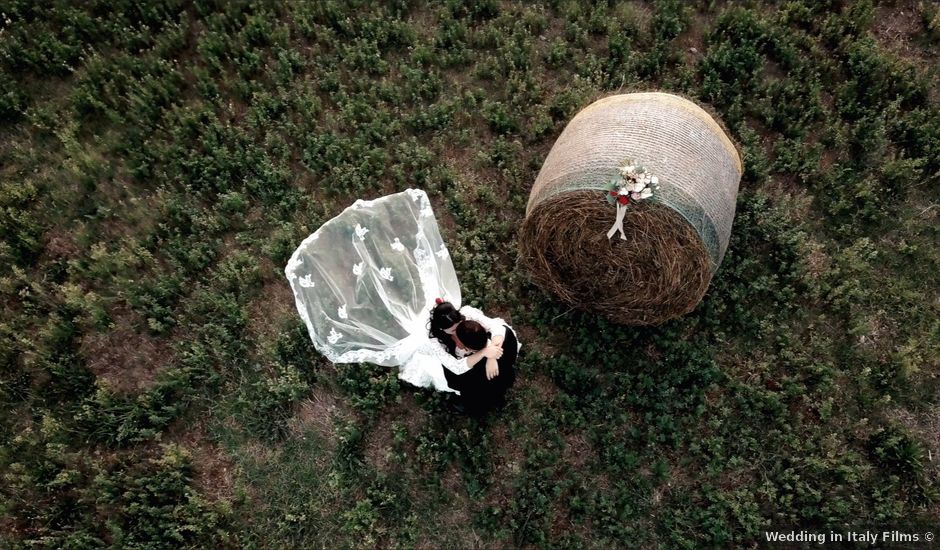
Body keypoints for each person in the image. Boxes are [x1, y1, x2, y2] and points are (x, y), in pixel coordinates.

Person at [426, 299, 520, 415]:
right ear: (442, 329)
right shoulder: (436, 341)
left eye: (459, 324)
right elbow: (455, 367)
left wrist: (492, 357)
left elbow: (497, 327)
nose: (458, 331)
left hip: (483, 349)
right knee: (459, 379)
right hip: (462, 365)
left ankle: (493, 390)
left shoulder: (468, 314)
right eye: (453, 330)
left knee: (504, 344)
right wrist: (484, 352)